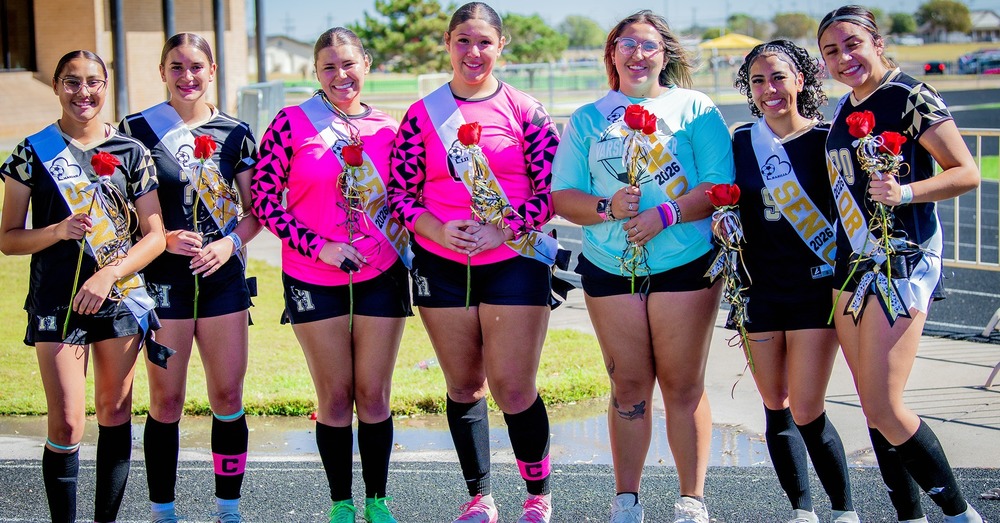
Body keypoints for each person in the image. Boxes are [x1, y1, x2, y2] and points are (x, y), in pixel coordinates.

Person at [551, 10, 733, 523]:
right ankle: (626, 501)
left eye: (648, 45)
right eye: (626, 44)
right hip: (610, 266)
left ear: (664, 54)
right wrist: (607, 208)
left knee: (682, 385)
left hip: (685, 263)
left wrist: (665, 214)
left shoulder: (695, 108)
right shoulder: (588, 118)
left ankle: (691, 501)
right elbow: (563, 195)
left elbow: (719, 185)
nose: (637, 54)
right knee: (628, 387)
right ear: (612, 54)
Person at [386, 3, 561, 522]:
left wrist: (502, 229)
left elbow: (552, 191)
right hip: (442, 266)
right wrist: (437, 229)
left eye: (484, 41)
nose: (474, 51)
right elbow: (399, 194)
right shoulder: (422, 114)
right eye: (463, 40)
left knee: (513, 387)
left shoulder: (526, 110)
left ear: (500, 46)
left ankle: (538, 494)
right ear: (447, 43)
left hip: (514, 260)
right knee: (463, 386)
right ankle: (480, 497)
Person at [819, 6, 983, 523]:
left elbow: (966, 172)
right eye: (831, 51)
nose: (844, 58)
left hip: (901, 260)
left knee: (886, 405)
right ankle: (909, 516)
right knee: (872, 405)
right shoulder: (845, 106)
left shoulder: (910, 95)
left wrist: (906, 192)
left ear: (877, 43)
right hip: (852, 264)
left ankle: (961, 515)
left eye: (852, 44)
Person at [251, 27, 411, 523]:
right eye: (328, 67)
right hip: (312, 275)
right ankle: (341, 502)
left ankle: (377, 501)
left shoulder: (389, 128)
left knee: (374, 394)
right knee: (336, 397)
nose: (340, 75)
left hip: (382, 274)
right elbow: (263, 200)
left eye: (349, 64)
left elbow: (407, 200)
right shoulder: (291, 123)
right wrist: (320, 247)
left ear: (366, 64)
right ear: (316, 72)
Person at [0, 50, 167, 523]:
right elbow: (8, 239)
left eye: (94, 81)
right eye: (72, 82)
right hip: (57, 299)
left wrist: (108, 274)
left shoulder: (132, 152)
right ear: (56, 86)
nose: (83, 92)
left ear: (106, 86)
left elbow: (155, 235)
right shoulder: (32, 151)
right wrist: (56, 231)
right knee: (68, 423)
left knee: (114, 412)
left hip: (118, 299)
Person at [119, 33, 259, 523]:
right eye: (176, 67)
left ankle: (229, 510)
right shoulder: (135, 129)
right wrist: (162, 237)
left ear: (212, 70)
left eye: (197, 66)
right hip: (164, 283)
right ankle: (164, 512)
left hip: (222, 281)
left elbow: (256, 212)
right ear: (162, 71)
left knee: (228, 396)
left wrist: (228, 244)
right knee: (167, 400)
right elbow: (118, 211)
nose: (187, 76)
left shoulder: (236, 133)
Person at [731, 39, 857, 523]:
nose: (769, 89)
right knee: (774, 404)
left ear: (801, 80)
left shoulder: (827, 140)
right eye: (758, 80)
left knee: (806, 407)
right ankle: (802, 510)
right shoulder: (742, 142)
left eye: (779, 77)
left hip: (813, 289)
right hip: (758, 290)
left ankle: (844, 511)